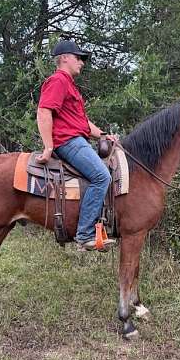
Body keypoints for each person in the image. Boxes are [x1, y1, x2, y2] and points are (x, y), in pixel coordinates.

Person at [36, 40, 117, 251]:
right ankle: (85, 234)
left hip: (76, 139)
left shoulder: (69, 84)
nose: (82, 62)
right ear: (64, 58)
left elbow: (81, 122)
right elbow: (44, 111)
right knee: (102, 177)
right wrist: (48, 147)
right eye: (78, 58)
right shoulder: (58, 81)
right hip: (68, 142)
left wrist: (104, 135)